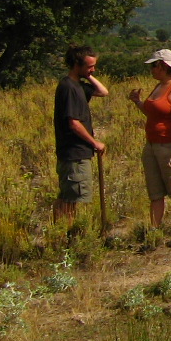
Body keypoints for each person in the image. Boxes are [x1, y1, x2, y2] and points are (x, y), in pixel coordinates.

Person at [128, 48, 171, 242]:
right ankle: (154, 232)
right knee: (155, 192)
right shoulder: (158, 87)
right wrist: (138, 102)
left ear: (163, 66)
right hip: (153, 145)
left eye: (154, 65)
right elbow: (153, 114)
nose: (151, 69)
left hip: (170, 146)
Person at [52, 45, 109, 228]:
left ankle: (63, 235)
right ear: (77, 64)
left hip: (78, 153)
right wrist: (94, 143)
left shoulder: (78, 86)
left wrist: (88, 75)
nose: (93, 70)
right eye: (89, 66)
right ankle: (64, 237)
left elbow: (103, 92)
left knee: (70, 197)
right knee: (70, 199)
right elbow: (74, 123)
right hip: (73, 153)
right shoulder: (68, 87)